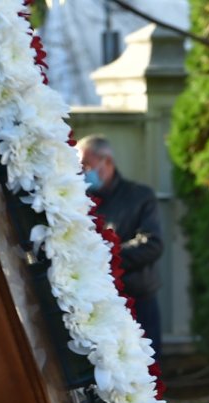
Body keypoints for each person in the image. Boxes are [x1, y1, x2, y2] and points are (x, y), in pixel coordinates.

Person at [77, 135, 165, 354]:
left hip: (137, 299)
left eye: (86, 165)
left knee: (147, 369)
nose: (82, 172)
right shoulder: (80, 200)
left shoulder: (140, 196)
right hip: (99, 302)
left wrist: (107, 256)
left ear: (107, 162)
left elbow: (152, 244)